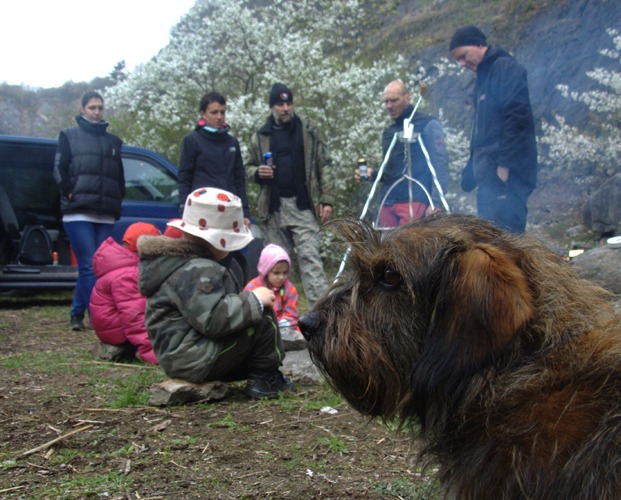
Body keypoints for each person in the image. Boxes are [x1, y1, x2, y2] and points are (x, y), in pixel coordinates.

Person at [137, 187, 294, 399]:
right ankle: (265, 378)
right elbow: (214, 319)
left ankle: (258, 372)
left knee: (249, 318)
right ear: (218, 240)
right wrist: (255, 299)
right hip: (197, 359)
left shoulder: (178, 264)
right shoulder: (199, 270)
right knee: (262, 317)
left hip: (179, 358)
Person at [246, 83, 334, 307]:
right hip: (273, 208)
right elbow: (246, 168)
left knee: (311, 260)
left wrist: (327, 199)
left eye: (289, 103)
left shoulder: (308, 130)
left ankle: (322, 315)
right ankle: (284, 318)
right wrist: (257, 172)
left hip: (303, 205)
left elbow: (325, 165)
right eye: (280, 104)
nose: (285, 108)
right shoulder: (260, 135)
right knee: (277, 267)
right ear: (272, 107)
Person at [449, 25, 537, 233]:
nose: (462, 63)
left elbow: (517, 118)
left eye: (463, 56)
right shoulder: (483, 77)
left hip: (506, 174)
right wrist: (470, 169)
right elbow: (481, 130)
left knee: (507, 238)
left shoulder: (506, 69)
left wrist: (505, 164)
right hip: (488, 175)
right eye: (458, 60)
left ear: (480, 44)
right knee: (489, 236)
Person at [53, 90, 125, 331]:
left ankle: (76, 314)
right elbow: (58, 169)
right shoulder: (69, 136)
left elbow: (120, 176)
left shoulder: (113, 142)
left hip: (104, 212)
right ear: (82, 109)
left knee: (95, 265)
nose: (96, 112)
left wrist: (118, 199)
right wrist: (69, 191)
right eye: (92, 107)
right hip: (78, 211)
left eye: (100, 108)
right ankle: (97, 316)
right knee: (88, 263)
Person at [355, 80, 449, 228]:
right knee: (385, 247)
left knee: (409, 249)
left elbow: (439, 164)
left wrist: (436, 202)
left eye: (394, 100)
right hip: (388, 201)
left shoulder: (428, 124)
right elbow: (391, 171)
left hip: (416, 200)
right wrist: (373, 174)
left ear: (408, 98)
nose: (389, 106)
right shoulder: (389, 132)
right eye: (386, 101)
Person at [90, 222, 161, 364]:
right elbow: (134, 318)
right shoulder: (128, 275)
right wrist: (153, 355)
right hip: (117, 333)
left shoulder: (123, 265)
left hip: (111, 328)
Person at [178, 91, 251, 228]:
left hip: (229, 209)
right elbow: (184, 177)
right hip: (203, 209)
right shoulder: (192, 140)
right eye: (214, 112)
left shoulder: (232, 142)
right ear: (203, 113)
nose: (219, 117)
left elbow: (239, 179)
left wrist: (245, 212)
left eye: (222, 112)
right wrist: (184, 208)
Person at [244, 244, 303, 347]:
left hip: (284, 328)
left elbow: (292, 316)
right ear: (266, 271)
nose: (281, 277)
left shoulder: (289, 289)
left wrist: (279, 325)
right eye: (276, 273)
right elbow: (246, 312)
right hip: (259, 327)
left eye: (285, 273)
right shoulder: (252, 287)